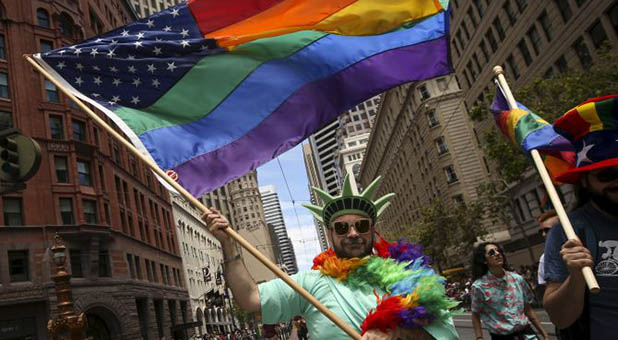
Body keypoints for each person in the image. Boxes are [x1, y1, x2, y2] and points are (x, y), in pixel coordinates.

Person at [203, 175, 459, 340]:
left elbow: (445, 335)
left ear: (373, 229)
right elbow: (250, 298)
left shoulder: (410, 275)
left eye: (361, 225)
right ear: (330, 234)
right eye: (341, 227)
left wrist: (397, 332)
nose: (352, 233)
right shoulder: (311, 282)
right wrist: (228, 245)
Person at [542, 95, 618, 339]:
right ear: (584, 181)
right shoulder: (570, 232)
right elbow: (560, 318)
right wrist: (576, 277)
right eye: (607, 175)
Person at [470, 242, 550, 340]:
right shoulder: (479, 287)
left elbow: (528, 309)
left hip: (528, 335)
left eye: (498, 251)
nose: (497, 253)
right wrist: (479, 337)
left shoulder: (518, 279)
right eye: (491, 252)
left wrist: (544, 334)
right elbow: (475, 314)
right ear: (484, 260)